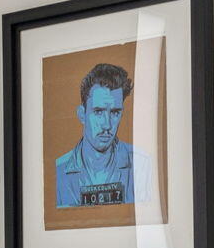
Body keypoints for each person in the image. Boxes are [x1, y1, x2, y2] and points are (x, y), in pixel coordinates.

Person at [53, 62, 156, 209]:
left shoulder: (141, 165)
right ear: (82, 114)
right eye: (98, 112)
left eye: (115, 112)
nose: (107, 125)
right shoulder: (58, 171)